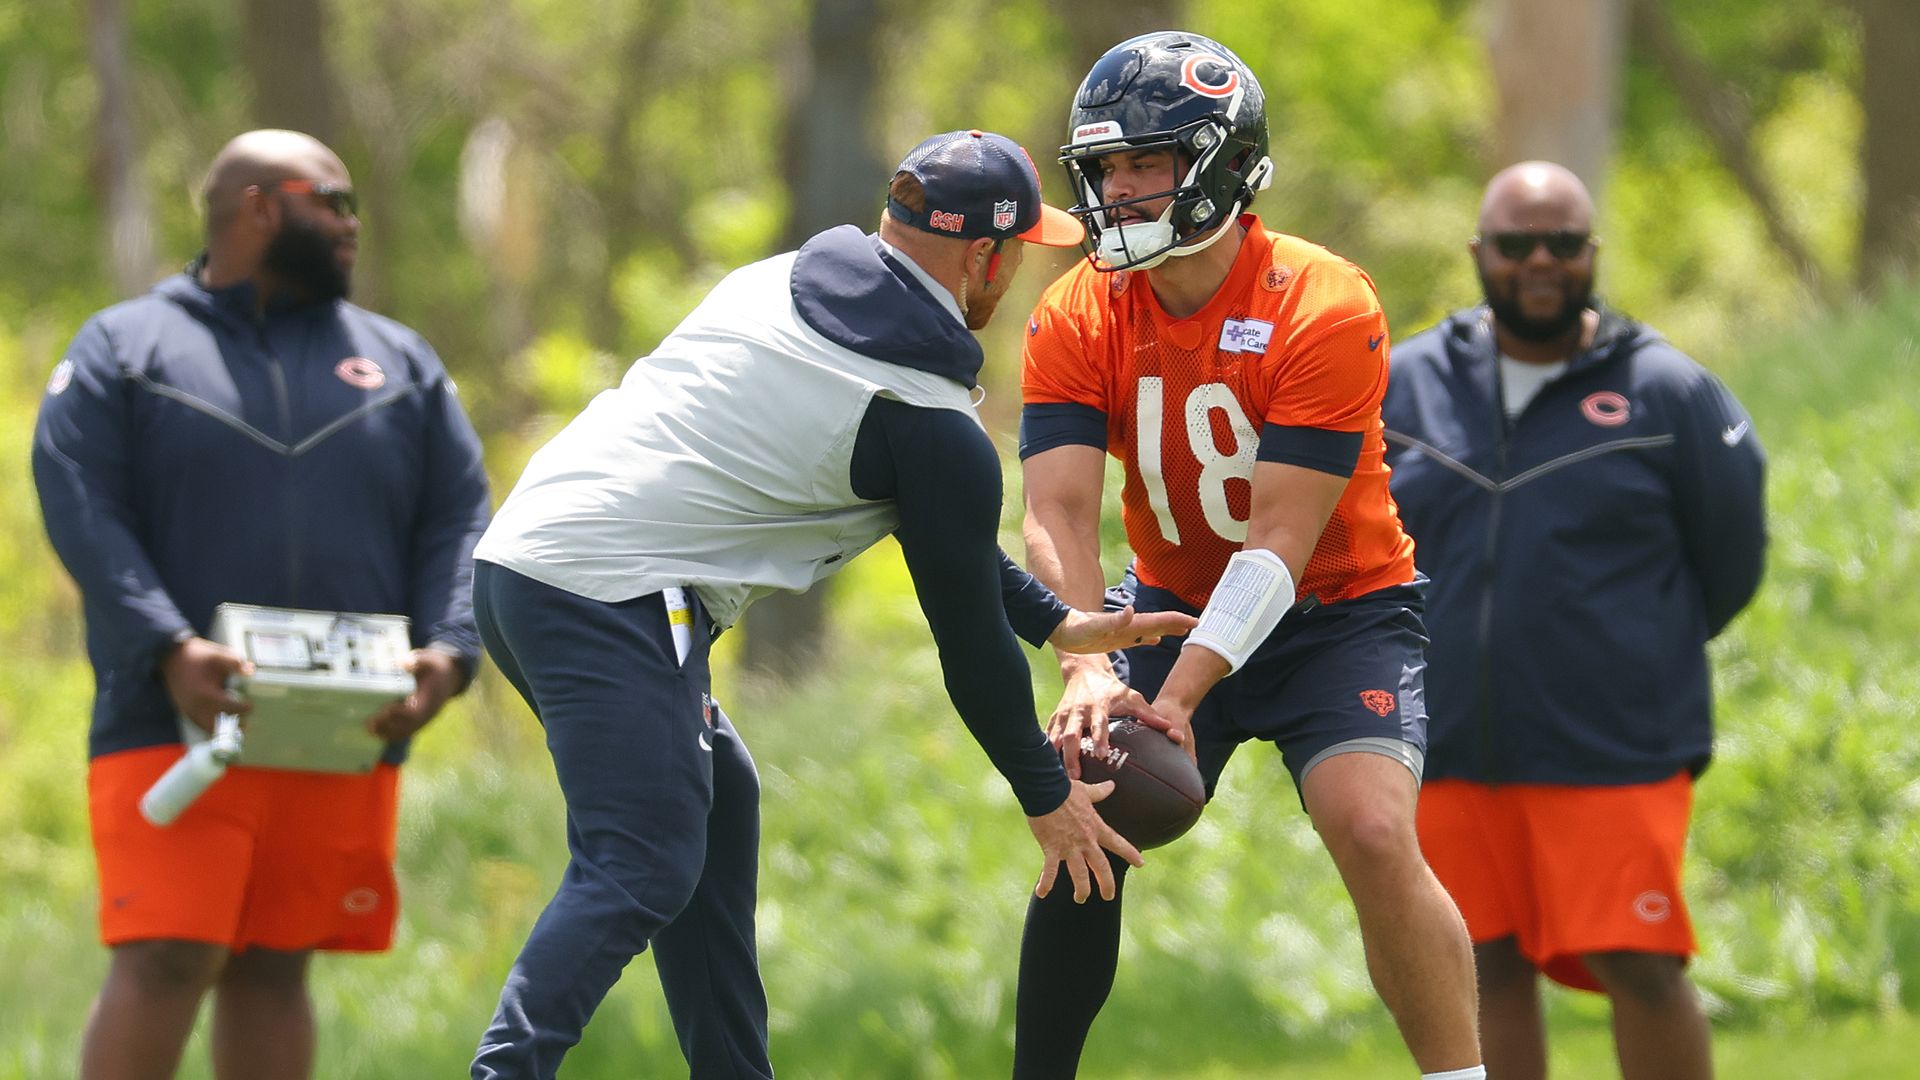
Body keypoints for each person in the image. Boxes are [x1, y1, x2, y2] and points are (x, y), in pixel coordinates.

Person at [465, 128, 1197, 1079]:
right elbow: (968, 643)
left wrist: (1056, 621)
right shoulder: (924, 417)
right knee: (642, 859)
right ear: (984, 257)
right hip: (610, 596)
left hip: (523, 562)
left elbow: (941, 537)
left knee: (716, 804)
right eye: (1017, 253)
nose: (1016, 274)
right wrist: (1046, 796)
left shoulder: (773, 284)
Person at [1012, 31, 1485, 1080]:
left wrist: (1180, 696)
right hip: (1165, 601)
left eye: (1146, 163)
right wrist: (1089, 665)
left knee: (1370, 829)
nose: (1119, 191)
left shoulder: (1321, 300)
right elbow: (1057, 509)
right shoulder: (1078, 310)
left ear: (1222, 166)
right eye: (1105, 168)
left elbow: (1280, 539)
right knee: (1088, 808)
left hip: (1338, 608)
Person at [31, 129, 492, 1080]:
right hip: (174, 719)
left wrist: (450, 653)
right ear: (257, 205)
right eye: (333, 201)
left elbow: (460, 516)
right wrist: (167, 646)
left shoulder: (402, 363)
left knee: (276, 967)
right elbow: (80, 503)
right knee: (167, 955)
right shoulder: (125, 348)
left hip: (345, 727)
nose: (353, 223)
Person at [1382, 161, 1766, 1080]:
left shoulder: (1668, 392)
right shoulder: (1403, 383)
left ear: (1592, 252)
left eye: (1562, 243)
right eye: (1517, 244)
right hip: (1444, 736)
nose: (1540, 262)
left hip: (1611, 744)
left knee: (1641, 964)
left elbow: (1731, 560)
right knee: (1481, 965)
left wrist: (1627, 653)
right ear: (1479, 252)